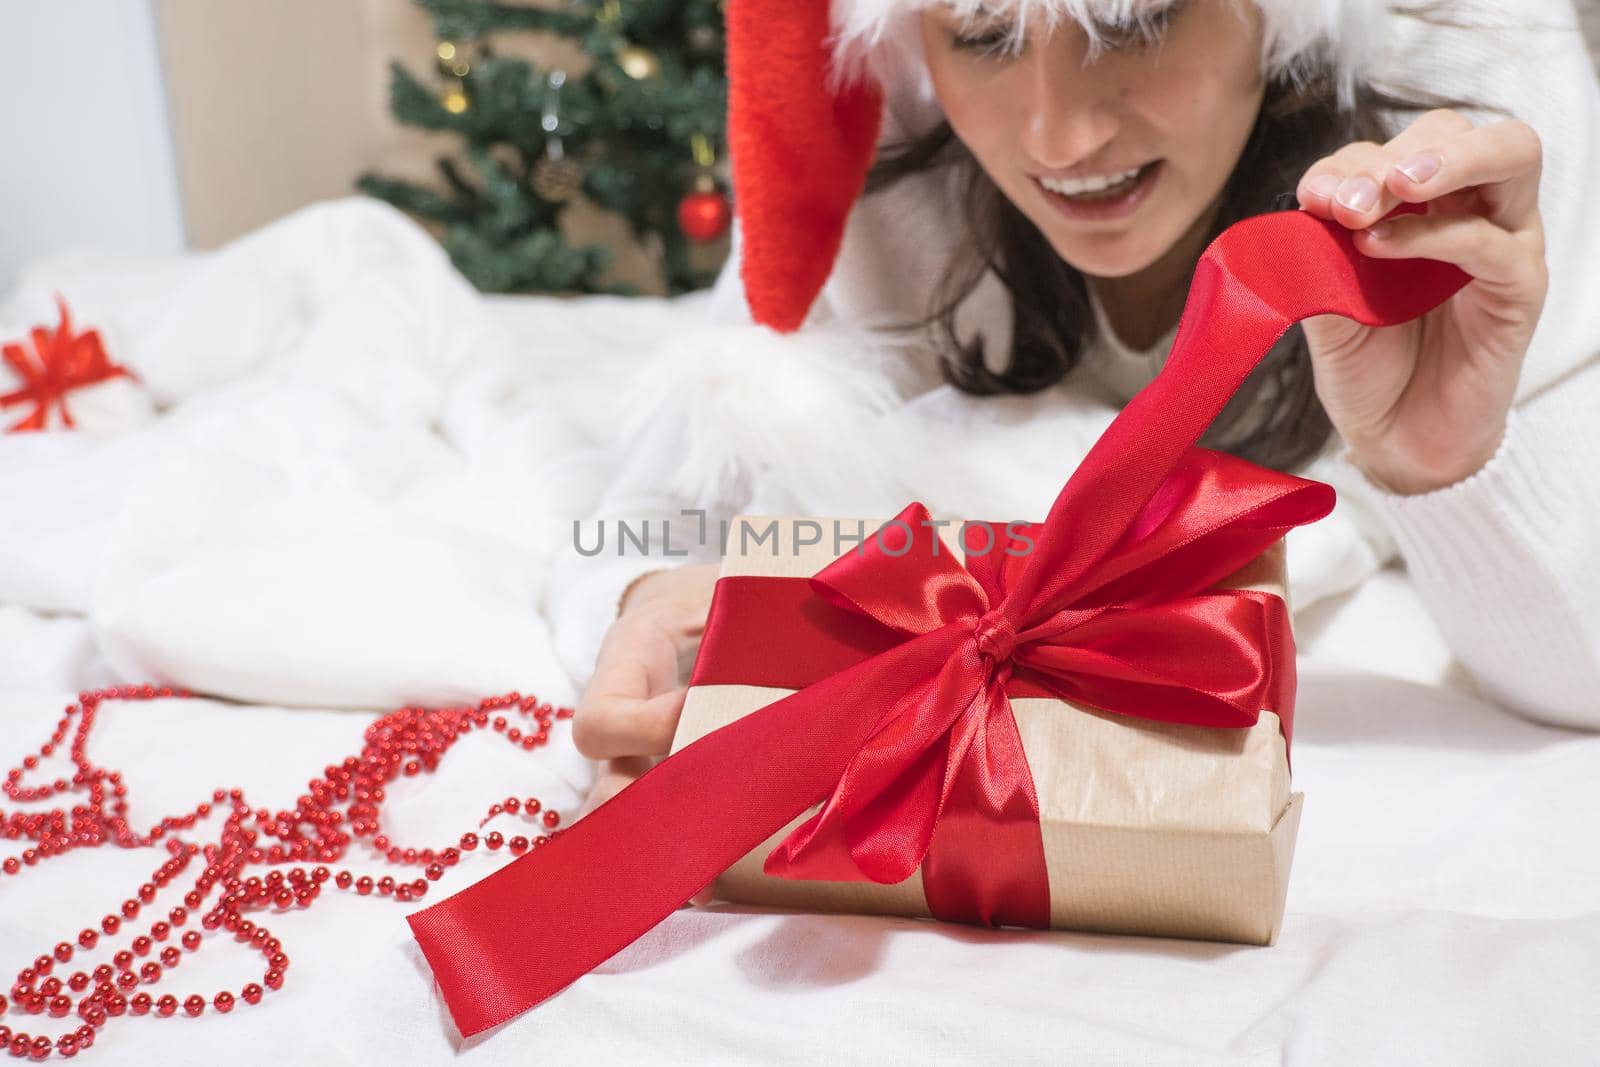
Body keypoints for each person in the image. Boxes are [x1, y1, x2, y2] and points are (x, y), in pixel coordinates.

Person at [543, 0, 1600, 817]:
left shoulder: (1466, 124)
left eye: (1134, 19)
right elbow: (657, 504)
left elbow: (1579, 679)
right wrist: (644, 604)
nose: (1058, 136)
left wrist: (1443, 465)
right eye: (983, 32)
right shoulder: (861, 123)